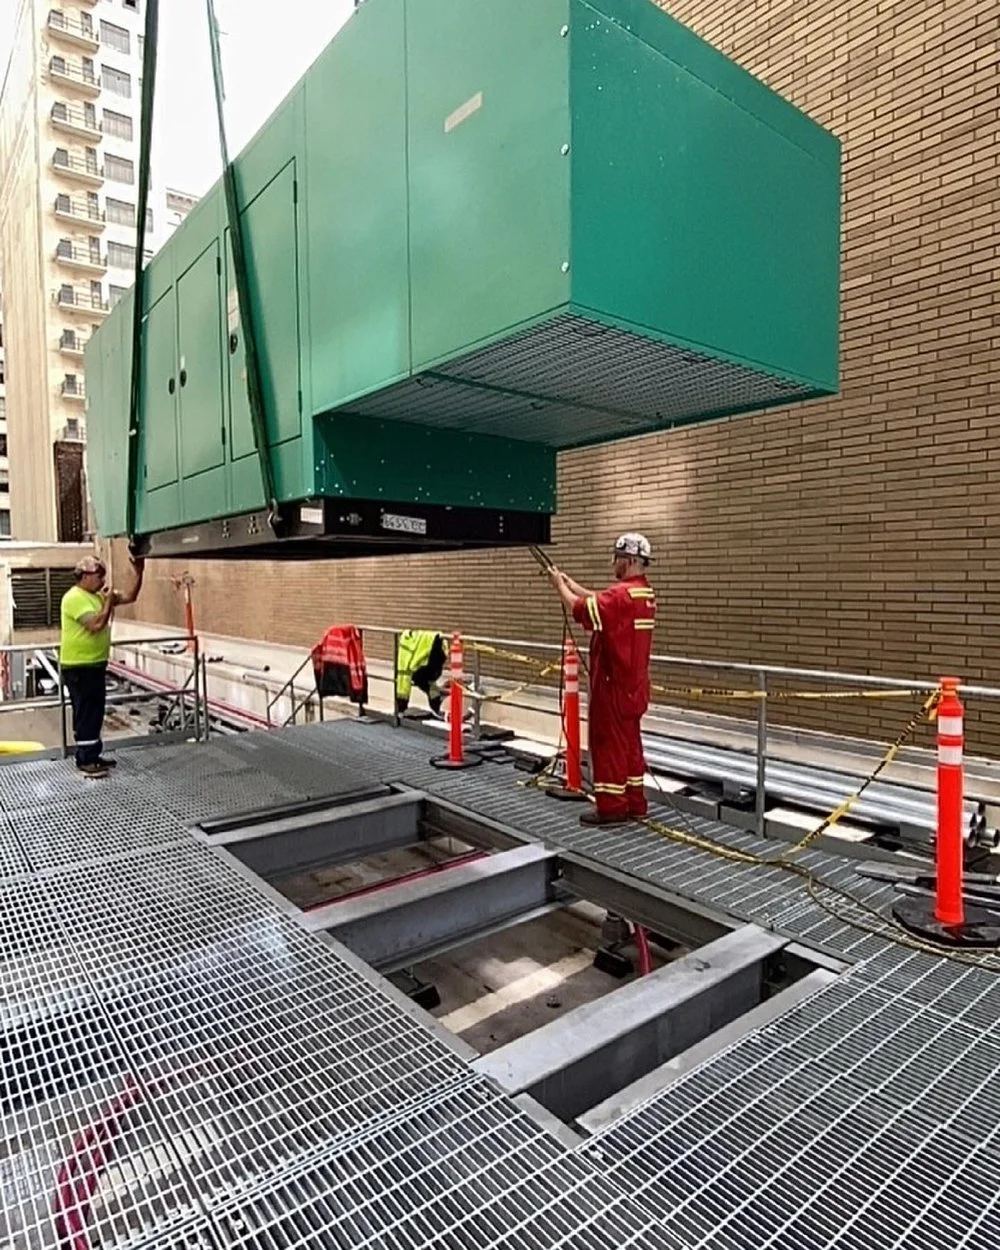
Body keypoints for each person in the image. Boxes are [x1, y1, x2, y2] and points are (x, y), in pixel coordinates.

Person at [548, 533, 656, 826]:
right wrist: (574, 585)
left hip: (612, 688)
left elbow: (581, 609)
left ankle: (611, 808)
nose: (613, 563)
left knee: (607, 746)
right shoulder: (643, 594)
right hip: (634, 689)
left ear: (631, 560)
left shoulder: (620, 597)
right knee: (631, 747)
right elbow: (603, 602)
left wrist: (559, 587)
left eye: (617, 558)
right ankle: (634, 802)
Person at [60, 553, 145, 778]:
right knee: (86, 711)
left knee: (95, 711)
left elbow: (130, 596)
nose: (103, 580)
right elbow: (96, 624)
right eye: (99, 575)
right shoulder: (74, 598)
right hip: (79, 665)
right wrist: (108, 601)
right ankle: (85, 758)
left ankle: (93, 755)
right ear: (84, 576)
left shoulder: (98, 596)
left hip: (94, 664)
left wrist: (139, 571)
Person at [395, 630, 447, 717]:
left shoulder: (409, 642)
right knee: (428, 684)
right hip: (421, 665)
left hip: (418, 665)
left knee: (427, 683)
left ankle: (436, 702)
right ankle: (436, 702)